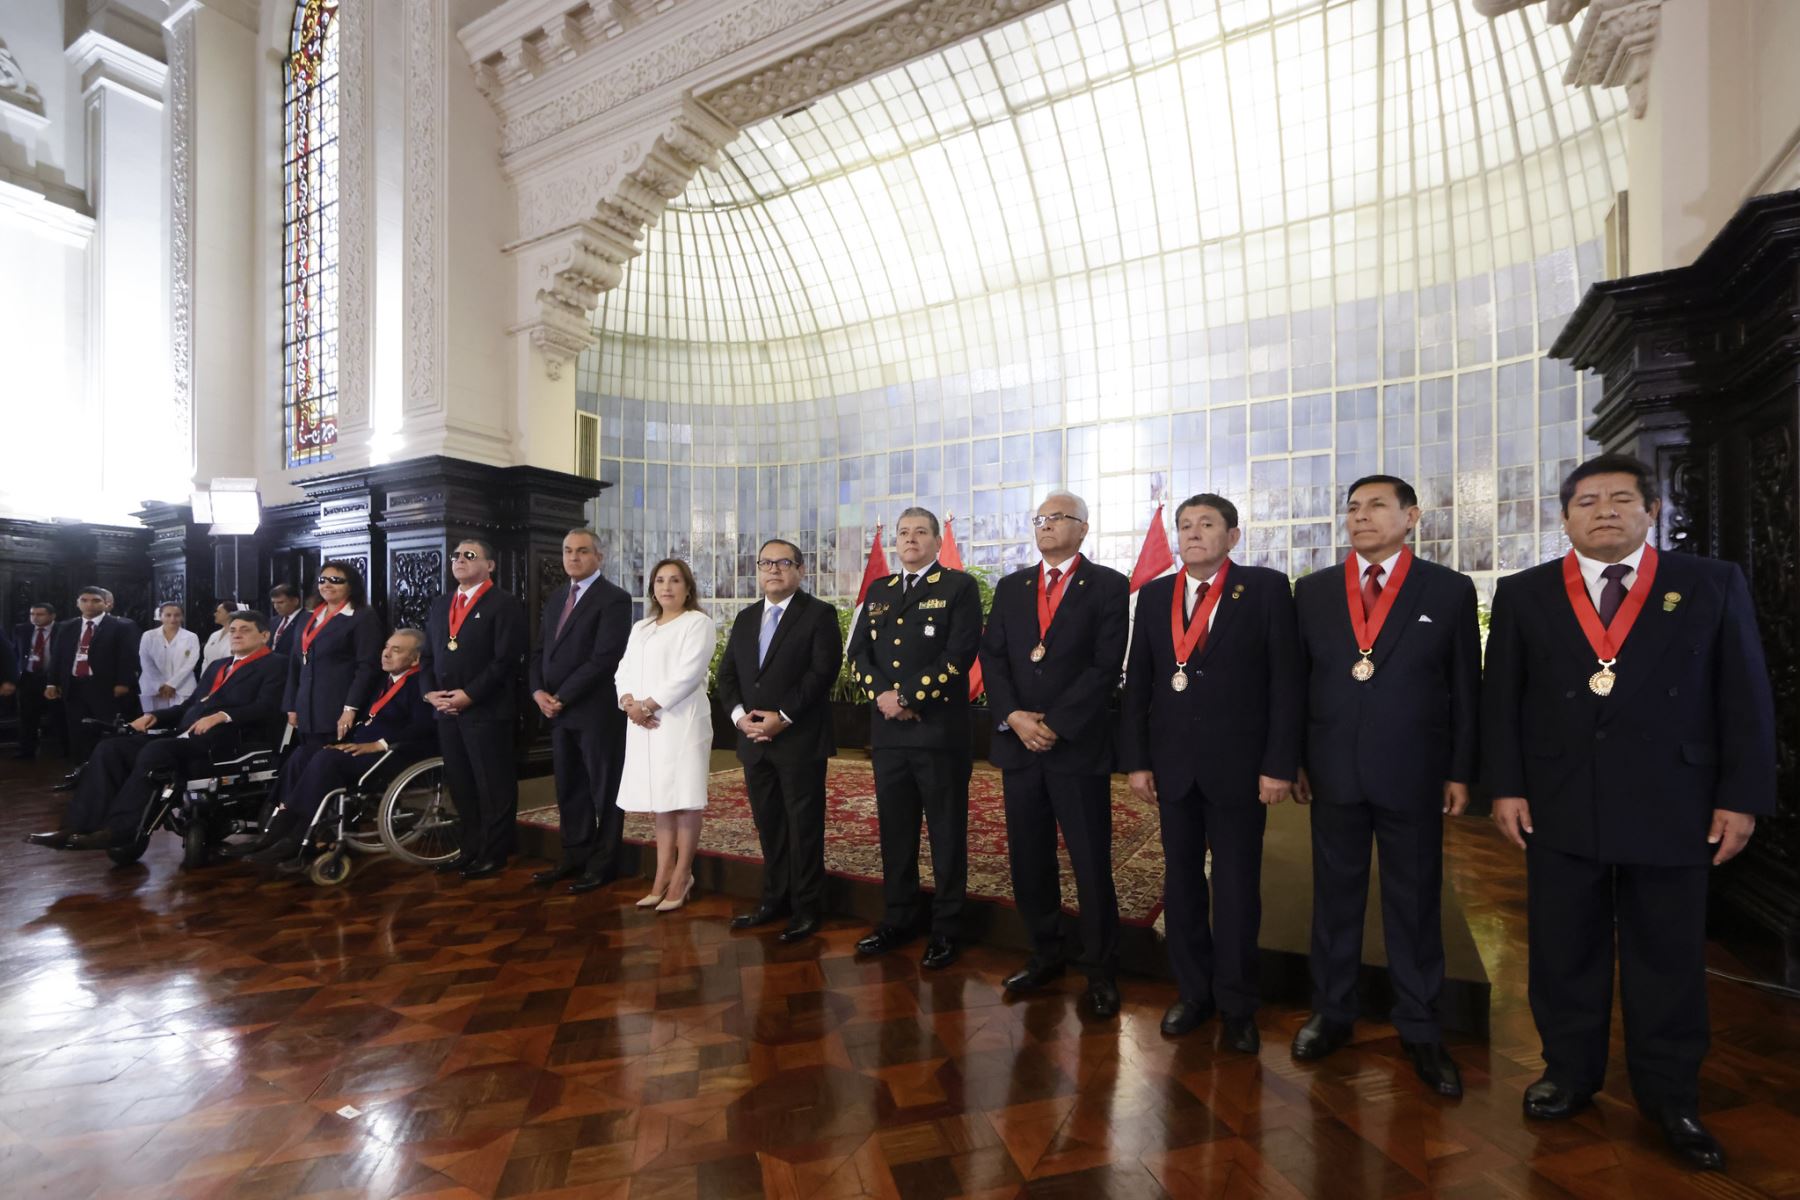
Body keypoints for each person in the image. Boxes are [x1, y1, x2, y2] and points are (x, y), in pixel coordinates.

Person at [1482, 454, 1775, 1172]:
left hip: (1674, 804)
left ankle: (1671, 1095)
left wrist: (1741, 797)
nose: (1604, 510)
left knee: (1667, 958)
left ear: (1652, 511)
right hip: (1557, 804)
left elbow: (1745, 694)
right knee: (1562, 950)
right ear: (1565, 517)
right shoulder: (1525, 593)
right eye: (1587, 501)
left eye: (1621, 498)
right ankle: (1568, 1073)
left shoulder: (1709, 582)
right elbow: (1502, 703)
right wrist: (1506, 786)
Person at [1289, 475, 1480, 1096]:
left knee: (1415, 902)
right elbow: (1296, 682)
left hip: (1415, 772)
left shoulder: (1448, 590)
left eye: (1376, 506)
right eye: (1351, 508)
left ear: (1411, 516)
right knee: (1334, 899)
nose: (1360, 517)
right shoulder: (1313, 592)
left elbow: (1465, 690)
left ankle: (1421, 1027)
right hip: (1332, 771)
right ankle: (1332, 1011)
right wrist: (1293, 758)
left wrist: (1460, 769)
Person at [1119, 493, 1302, 1052]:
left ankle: (1238, 1003)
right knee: (1180, 885)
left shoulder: (1265, 589)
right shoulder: (1154, 596)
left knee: (1237, 888)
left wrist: (1278, 765)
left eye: (1206, 524)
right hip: (1172, 767)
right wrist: (1137, 760)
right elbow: (1140, 686)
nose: (1193, 533)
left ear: (1233, 536)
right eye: (1185, 525)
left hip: (1241, 770)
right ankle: (1193, 993)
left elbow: (1285, 682)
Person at [979, 491, 1129, 1018]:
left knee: (1090, 860)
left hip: (1076, 747)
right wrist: (1015, 716)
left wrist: (1057, 725)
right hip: (1019, 744)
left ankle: (1101, 968)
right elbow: (992, 658)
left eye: (1057, 518)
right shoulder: (1012, 586)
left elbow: (1105, 666)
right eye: (1039, 519)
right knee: (1028, 857)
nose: (1045, 526)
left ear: (1083, 529)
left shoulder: (1108, 585)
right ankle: (1045, 952)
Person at [846, 507, 983, 969]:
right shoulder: (880, 591)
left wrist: (907, 695)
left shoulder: (957, 587)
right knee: (896, 833)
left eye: (919, 532)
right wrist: (883, 695)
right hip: (888, 737)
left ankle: (947, 928)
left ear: (935, 540)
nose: (909, 540)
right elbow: (857, 654)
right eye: (903, 533)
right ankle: (899, 918)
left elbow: (960, 653)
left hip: (938, 734)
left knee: (946, 835)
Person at [25, 611, 286, 851]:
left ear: (264, 635)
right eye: (233, 629)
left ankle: (120, 830)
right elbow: (189, 706)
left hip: (228, 742)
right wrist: (153, 716)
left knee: (155, 750)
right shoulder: (219, 666)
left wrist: (222, 716)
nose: (236, 634)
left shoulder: (276, 664)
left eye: (245, 629)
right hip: (185, 735)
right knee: (110, 748)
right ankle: (75, 827)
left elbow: (268, 707)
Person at [716, 539, 843, 943]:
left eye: (783, 562)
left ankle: (807, 908)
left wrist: (782, 717)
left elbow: (822, 673)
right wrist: (741, 719)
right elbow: (728, 676)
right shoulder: (746, 617)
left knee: (803, 826)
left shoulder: (819, 615)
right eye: (766, 563)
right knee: (769, 824)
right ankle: (774, 900)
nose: (774, 569)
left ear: (800, 570)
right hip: (753, 741)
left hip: (799, 739)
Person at [237, 629, 437, 866]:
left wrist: (377, 745)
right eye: (386, 647)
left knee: (327, 759)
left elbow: (423, 726)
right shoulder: (382, 680)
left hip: (393, 753)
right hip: (361, 746)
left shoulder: (421, 683)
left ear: (415, 659)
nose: (386, 654)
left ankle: (295, 837)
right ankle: (275, 829)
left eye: (397, 650)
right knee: (303, 753)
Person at [530, 528, 633, 894]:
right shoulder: (557, 598)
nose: (573, 557)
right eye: (568, 551)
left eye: (582, 551)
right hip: (558, 711)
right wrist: (538, 691)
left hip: (595, 711)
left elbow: (605, 658)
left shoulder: (615, 599)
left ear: (599, 557)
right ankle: (574, 855)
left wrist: (563, 695)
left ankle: (604, 864)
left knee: (603, 789)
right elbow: (541, 651)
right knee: (569, 786)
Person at [613, 559, 718, 912]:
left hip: (680, 720)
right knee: (661, 799)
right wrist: (628, 701)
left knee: (683, 797)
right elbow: (623, 669)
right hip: (643, 722)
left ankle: (682, 874)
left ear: (688, 587)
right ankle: (661, 875)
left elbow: (689, 674)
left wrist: (650, 705)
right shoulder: (642, 627)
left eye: (675, 580)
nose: (667, 587)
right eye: (660, 580)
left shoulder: (697, 623)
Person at [421, 538, 527, 879]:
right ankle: (469, 849)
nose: (460, 560)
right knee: (461, 784)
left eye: (470, 555)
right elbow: (426, 659)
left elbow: (505, 660)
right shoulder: (441, 604)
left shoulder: (504, 604)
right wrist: (430, 695)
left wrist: (470, 694)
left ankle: (494, 852)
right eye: (456, 556)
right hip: (447, 711)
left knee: (492, 784)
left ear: (490, 565)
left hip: (486, 709)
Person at [282, 562, 384, 753]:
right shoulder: (308, 616)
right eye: (323, 580)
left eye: (336, 580)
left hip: (337, 707)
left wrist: (350, 708)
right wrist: (292, 705)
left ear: (351, 585)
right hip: (307, 707)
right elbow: (295, 662)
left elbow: (367, 667)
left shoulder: (362, 616)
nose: (327, 584)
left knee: (326, 764)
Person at [45, 586, 139, 762]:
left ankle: (107, 767)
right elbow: (58, 656)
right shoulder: (67, 626)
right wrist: (52, 682)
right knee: (77, 730)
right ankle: (80, 769)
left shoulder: (121, 626)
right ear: (78, 603)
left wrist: (123, 683)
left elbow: (128, 657)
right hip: (73, 684)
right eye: (85, 600)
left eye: (95, 600)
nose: (89, 605)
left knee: (106, 728)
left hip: (104, 686)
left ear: (106, 603)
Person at [11, 603, 58, 759]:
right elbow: (15, 653)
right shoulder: (21, 629)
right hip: (28, 678)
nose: (35, 618)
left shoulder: (62, 630)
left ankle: (58, 750)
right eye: (32, 614)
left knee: (57, 715)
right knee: (27, 716)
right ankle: (27, 750)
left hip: (52, 679)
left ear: (52, 616)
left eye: (40, 614)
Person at [138, 602, 202, 714]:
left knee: (181, 722)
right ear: (160, 616)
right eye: (168, 615)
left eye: (177, 615)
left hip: (182, 687)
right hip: (153, 687)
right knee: (153, 724)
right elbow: (146, 662)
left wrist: (171, 684)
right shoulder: (148, 636)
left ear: (182, 617)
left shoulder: (191, 637)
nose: (173, 619)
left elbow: (190, 663)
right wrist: (160, 685)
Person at [201, 600, 242, 673]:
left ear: (229, 614)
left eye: (218, 612)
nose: (215, 614)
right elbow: (205, 660)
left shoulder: (237, 636)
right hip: (209, 678)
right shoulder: (214, 635)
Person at [268, 585, 306, 658]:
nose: (276, 606)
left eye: (280, 602)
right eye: (273, 603)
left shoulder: (306, 620)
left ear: (295, 601)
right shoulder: (273, 621)